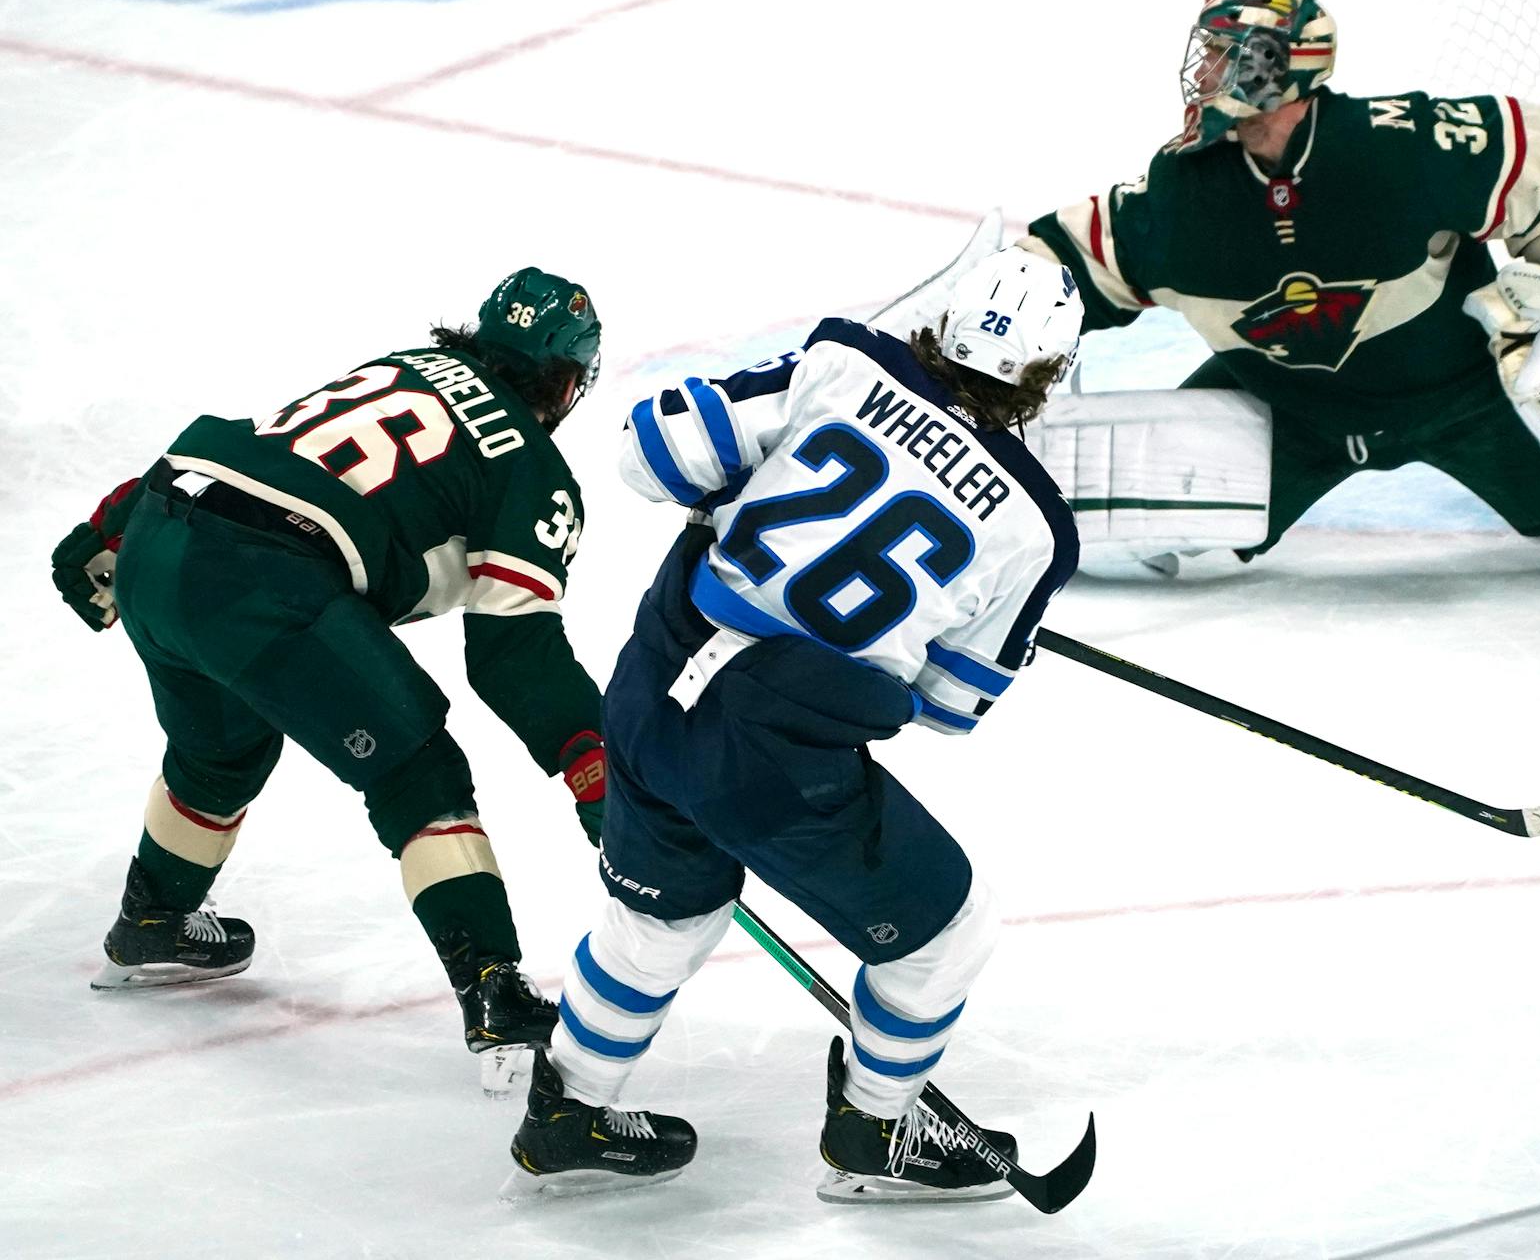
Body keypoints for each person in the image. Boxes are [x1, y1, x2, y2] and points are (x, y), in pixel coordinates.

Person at [504, 247, 1082, 1203]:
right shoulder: (1035, 527)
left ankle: (567, 1109)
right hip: (773, 759)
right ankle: (874, 1128)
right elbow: (952, 706)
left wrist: (736, 494)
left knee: (660, 914)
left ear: (943, 322)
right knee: (946, 934)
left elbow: (648, 451)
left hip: (650, 690)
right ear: (1047, 373)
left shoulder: (843, 362)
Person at [50, 268, 611, 1072]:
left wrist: (118, 519)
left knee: (222, 748)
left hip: (160, 525)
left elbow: (274, 452)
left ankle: (153, 916)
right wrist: (596, 762)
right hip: (261, 577)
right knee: (419, 772)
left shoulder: (406, 364)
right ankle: (492, 987)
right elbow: (514, 658)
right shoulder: (532, 469)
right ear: (563, 380)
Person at [1018, 0, 1540, 579]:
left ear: (1277, 66)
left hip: (1463, 393)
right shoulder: (1184, 191)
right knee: (1112, 539)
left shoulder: (1398, 147)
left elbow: (1534, 152)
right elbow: (1063, 263)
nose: (1204, 73)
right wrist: (996, 329)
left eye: (1225, 55)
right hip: (1282, 405)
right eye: (1206, 53)